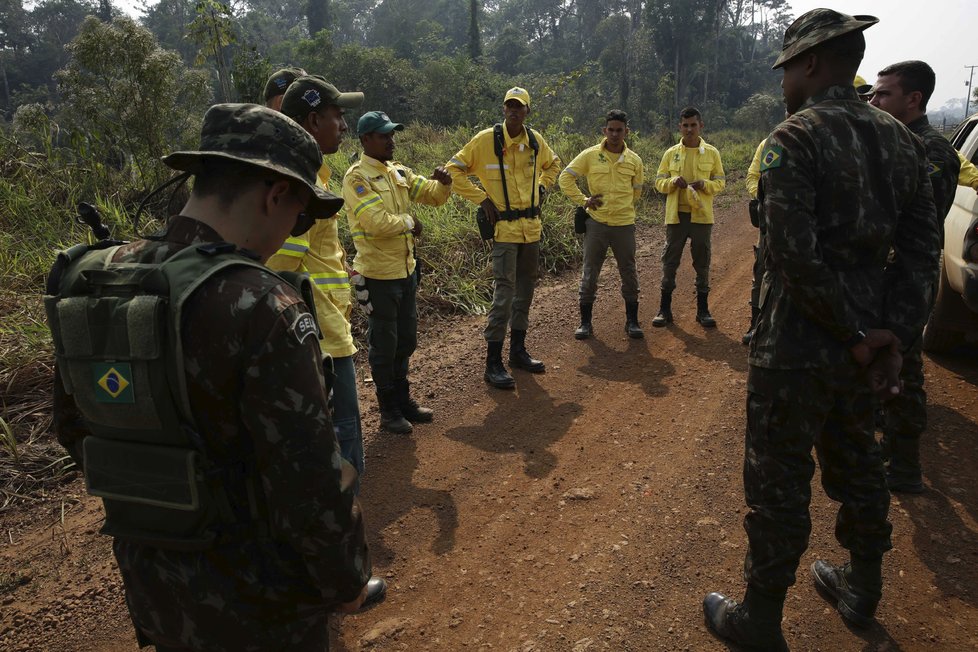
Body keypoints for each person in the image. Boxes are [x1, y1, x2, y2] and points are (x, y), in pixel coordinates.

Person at [47, 103, 383, 651]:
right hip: (261, 603)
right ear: (276, 195)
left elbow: (74, 429)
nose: (291, 229)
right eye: (299, 215)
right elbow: (309, 481)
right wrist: (345, 581)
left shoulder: (95, 278)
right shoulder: (261, 303)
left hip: (155, 587)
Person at [703, 10, 940, 651]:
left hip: (797, 348)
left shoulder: (794, 138)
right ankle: (863, 587)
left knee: (778, 482)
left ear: (810, 63)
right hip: (866, 353)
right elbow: (921, 258)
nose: (783, 82)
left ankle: (760, 620)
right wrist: (890, 338)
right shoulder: (906, 144)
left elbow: (791, 255)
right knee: (860, 460)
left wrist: (854, 333)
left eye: (786, 68)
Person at [267, 75, 370, 486]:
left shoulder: (314, 177)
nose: (344, 126)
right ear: (312, 120)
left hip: (323, 328)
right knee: (341, 434)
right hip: (319, 337)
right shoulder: (303, 186)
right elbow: (280, 270)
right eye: (336, 116)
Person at [869, 60, 961, 493]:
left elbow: (915, 223)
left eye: (883, 93)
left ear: (914, 99)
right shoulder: (892, 142)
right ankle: (883, 444)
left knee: (905, 367)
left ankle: (904, 468)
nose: (874, 100)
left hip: (905, 279)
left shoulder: (932, 152)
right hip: (881, 275)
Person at [342, 111, 451, 433]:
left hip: (405, 271)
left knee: (406, 339)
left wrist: (444, 183)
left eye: (392, 134)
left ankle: (403, 401)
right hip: (377, 275)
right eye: (383, 135)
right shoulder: (356, 178)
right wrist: (410, 222)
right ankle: (388, 410)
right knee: (384, 343)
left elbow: (431, 194)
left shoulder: (398, 171)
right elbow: (375, 221)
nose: (391, 140)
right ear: (365, 140)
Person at [446, 87, 561, 389]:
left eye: (519, 107)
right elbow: (453, 170)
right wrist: (482, 199)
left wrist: (543, 188)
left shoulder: (535, 142)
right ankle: (492, 362)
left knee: (526, 291)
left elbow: (554, 165)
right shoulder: (485, 141)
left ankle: (518, 352)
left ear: (527, 111)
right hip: (505, 233)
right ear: (503, 109)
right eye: (509, 106)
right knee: (505, 294)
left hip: (531, 230)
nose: (514, 111)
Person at [558, 109, 645, 340]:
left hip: (624, 224)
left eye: (619, 130)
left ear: (627, 132)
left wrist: (624, 207)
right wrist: (583, 200)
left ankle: (632, 321)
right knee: (590, 272)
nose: (615, 134)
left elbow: (637, 192)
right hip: (596, 224)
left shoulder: (635, 160)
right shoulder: (589, 155)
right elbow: (565, 177)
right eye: (611, 130)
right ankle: (585, 323)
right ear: (604, 131)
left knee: (628, 271)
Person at [651, 107, 726, 328]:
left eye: (693, 125)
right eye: (685, 125)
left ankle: (703, 310)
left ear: (701, 126)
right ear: (680, 127)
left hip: (701, 216)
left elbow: (720, 182)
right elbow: (658, 182)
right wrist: (672, 183)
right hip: (677, 216)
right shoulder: (670, 153)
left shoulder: (712, 153)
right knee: (670, 261)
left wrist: (706, 185)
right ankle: (664, 310)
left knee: (702, 261)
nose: (689, 129)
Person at [742, 138, 766, 344]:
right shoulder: (771, 144)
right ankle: (755, 324)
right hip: (772, 223)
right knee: (762, 271)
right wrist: (763, 195)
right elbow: (752, 176)